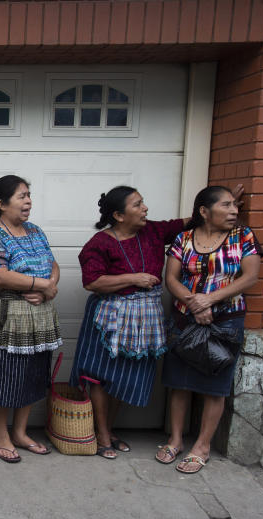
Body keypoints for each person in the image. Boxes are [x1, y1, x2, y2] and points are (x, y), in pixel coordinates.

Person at [69, 187, 186, 459]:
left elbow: (188, 222)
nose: (145, 208)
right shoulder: (99, 243)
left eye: (143, 202)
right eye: (138, 204)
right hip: (109, 317)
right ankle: (101, 435)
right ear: (119, 215)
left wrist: (215, 204)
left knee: (125, 375)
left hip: (144, 317)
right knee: (100, 375)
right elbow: (93, 281)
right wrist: (134, 278)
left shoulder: (154, 232)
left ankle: (108, 430)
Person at [157, 186, 261, 473]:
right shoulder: (184, 238)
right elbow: (172, 279)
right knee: (179, 381)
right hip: (185, 319)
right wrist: (194, 304)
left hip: (225, 322)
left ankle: (202, 446)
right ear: (204, 211)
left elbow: (250, 277)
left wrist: (210, 300)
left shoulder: (244, 237)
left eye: (234, 205)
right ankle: (175, 439)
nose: (234, 211)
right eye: (226, 205)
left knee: (215, 384)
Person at [0, 175, 62, 463]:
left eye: (28, 195)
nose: (28, 201)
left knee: (33, 375)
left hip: (39, 318)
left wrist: (49, 288)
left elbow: (52, 264)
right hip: (6, 316)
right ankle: (1, 434)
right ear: (1, 203)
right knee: (4, 376)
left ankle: (21, 432)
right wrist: (39, 285)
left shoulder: (34, 230)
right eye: (21, 196)